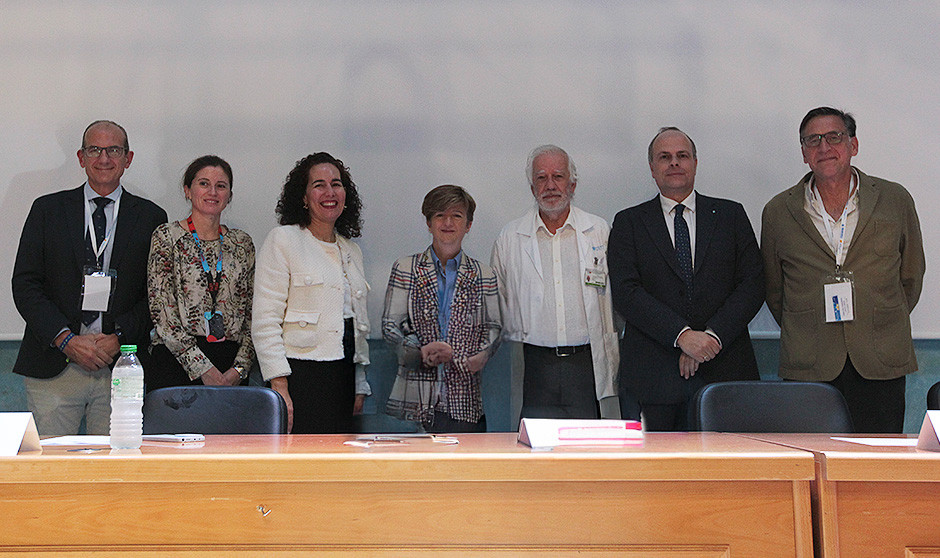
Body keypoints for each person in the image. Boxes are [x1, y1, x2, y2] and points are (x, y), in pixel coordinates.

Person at [762, 107, 925, 433]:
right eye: (813, 140)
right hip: (810, 360)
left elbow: (911, 275)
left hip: (880, 357)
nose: (824, 147)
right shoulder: (779, 210)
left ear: (853, 145)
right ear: (804, 154)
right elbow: (774, 289)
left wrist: (877, 314)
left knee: (879, 465)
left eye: (834, 137)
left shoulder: (894, 199)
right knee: (813, 462)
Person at [11, 120, 167, 436]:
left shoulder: (151, 217)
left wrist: (120, 339)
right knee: (53, 473)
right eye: (94, 149)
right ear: (81, 158)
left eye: (113, 150)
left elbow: (156, 295)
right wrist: (66, 339)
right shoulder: (47, 210)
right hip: (55, 365)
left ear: (129, 158)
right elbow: (26, 283)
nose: (104, 158)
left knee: (115, 473)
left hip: (121, 366)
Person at [608, 127, 764, 431]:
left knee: (730, 474)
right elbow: (627, 293)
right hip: (654, 378)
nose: (674, 163)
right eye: (664, 157)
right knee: (657, 474)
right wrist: (682, 336)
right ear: (652, 169)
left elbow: (752, 284)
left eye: (682, 156)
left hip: (725, 371)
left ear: (695, 162)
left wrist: (711, 338)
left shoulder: (731, 215)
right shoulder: (629, 222)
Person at [491, 145, 617, 420]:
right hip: (534, 366)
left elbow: (618, 299)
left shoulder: (599, 231)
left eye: (558, 176)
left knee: (588, 452)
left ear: (572, 184)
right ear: (532, 186)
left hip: (586, 365)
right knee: (534, 454)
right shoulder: (510, 238)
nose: (550, 185)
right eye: (541, 178)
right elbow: (495, 305)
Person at [252, 152, 371, 433]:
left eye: (337, 184)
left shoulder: (351, 250)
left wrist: (360, 383)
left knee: (338, 466)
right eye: (319, 185)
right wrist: (279, 384)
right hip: (299, 376)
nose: (329, 192)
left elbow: (357, 324)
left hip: (344, 376)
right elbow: (265, 321)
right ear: (304, 197)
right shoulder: (283, 240)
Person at [382, 185, 501, 433]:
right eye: (439, 215)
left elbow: (494, 328)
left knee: (465, 472)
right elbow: (391, 326)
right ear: (428, 222)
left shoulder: (484, 274)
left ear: (468, 225)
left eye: (456, 215)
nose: (448, 222)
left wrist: (475, 357)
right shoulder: (405, 268)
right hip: (412, 404)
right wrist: (420, 352)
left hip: (465, 405)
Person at [146, 156, 255, 392]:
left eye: (221, 186)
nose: (212, 192)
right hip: (176, 362)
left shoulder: (242, 243)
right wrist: (202, 368)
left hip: (230, 368)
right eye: (204, 184)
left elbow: (253, 313)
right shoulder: (167, 237)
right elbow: (162, 311)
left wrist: (239, 369)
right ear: (187, 191)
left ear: (229, 195)